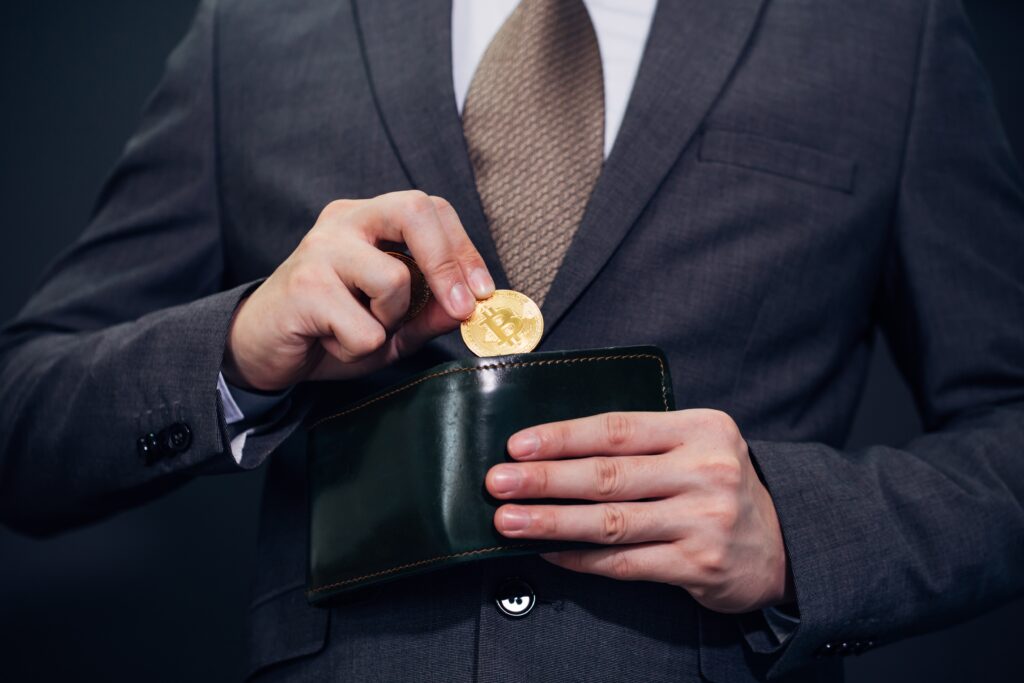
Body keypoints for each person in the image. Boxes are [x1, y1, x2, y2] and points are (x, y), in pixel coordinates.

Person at [1, 0, 1022, 680]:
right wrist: (230, 350)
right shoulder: (252, 33)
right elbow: (23, 430)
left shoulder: (886, 34)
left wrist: (799, 530)